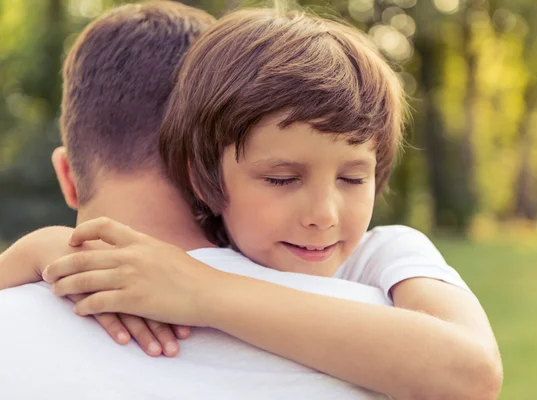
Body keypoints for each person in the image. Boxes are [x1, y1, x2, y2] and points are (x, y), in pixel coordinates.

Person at [29, 7, 502, 400]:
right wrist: (41, 251)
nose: (324, 214)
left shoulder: (383, 255)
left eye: (355, 178)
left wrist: (205, 293)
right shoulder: (205, 256)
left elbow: (472, 373)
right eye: (281, 179)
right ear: (204, 181)